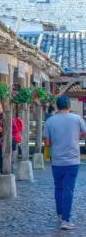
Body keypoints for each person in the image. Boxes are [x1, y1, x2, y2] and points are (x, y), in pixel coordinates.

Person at [44, 96, 86, 230]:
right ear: (69, 106)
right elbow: (85, 134)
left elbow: (47, 143)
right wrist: (76, 137)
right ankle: (66, 221)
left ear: (56, 106)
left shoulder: (50, 120)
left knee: (58, 188)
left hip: (57, 160)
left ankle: (60, 215)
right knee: (69, 189)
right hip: (73, 159)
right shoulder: (77, 118)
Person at [0, 102, 21, 175]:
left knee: (7, 166)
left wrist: (3, 130)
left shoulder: (6, 117)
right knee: (1, 165)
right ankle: (3, 183)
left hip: (4, 145)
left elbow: (13, 130)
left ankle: (7, 183)